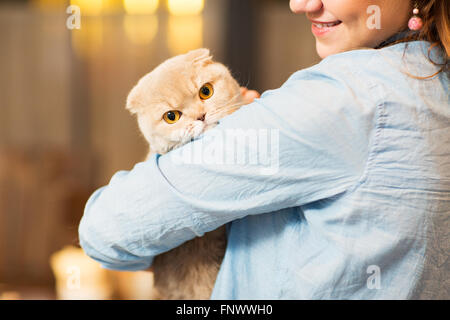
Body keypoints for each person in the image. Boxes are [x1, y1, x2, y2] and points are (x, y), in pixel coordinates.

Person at [78, 0, 449, 299]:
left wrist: (192, 153)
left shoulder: (345, 98)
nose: (300, 4)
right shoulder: (434, 81)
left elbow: (105, 231)